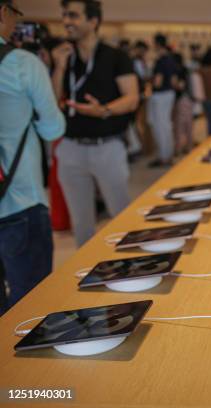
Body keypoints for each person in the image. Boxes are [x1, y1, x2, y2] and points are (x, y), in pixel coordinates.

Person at [51, 0, 139, 247]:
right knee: (81, 221)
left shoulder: (116, 56)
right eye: (64, 15)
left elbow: (132, 98)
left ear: (93, 21)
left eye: (73, 16)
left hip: (107, 146)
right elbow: (54, 101)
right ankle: (88, 272)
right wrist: (58, 67)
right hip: (70, 147)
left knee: (121, 215)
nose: (67, 21)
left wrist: (104, 110)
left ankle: (130, 270)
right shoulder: (63, 56)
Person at [0, 0, 65, 314]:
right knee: (30, 307)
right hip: (19, 199)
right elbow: (53, 128)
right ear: (3, 12)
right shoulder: (22, 63)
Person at [147, 33, 178, 167]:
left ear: (157, 44)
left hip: (159, 95)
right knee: (165, 125)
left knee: (159, 125)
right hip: (169, 93)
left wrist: (149, 82)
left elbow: (158, 82)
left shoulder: (160, 61)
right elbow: (174, 80)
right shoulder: (171, 59)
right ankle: (167, 155)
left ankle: (163, 156)